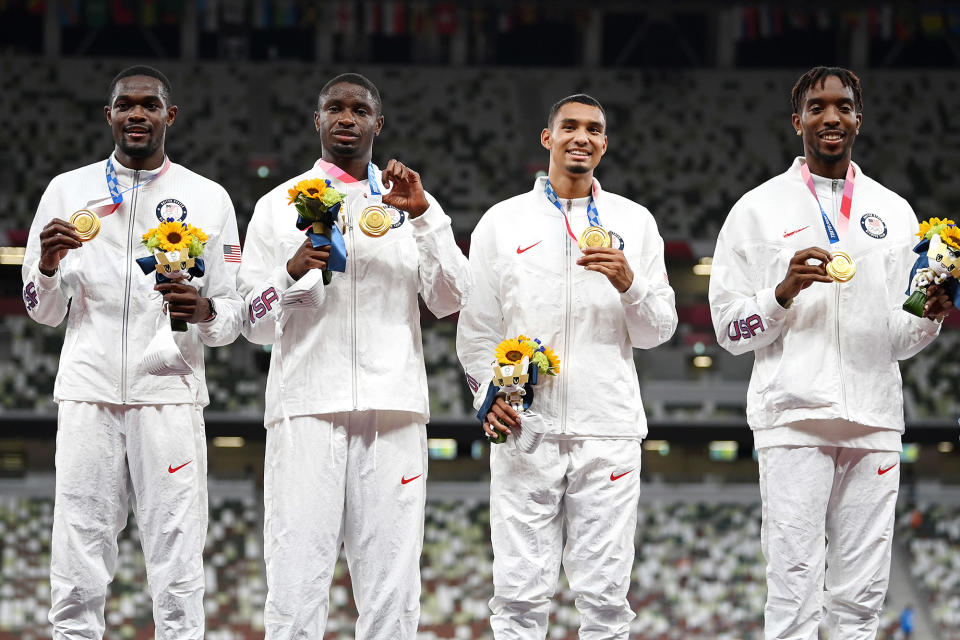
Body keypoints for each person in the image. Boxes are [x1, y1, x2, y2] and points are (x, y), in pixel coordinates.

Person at [708, 66, 953, 640]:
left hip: (873, 420)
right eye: (817, 107)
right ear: (798, 121)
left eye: (842, 106)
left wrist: (929, 315)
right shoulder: (756, 210)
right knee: (793, 591)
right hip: (793, 420)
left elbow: (898, 337)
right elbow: (729, 331)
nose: (831, 117)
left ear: (858, 119)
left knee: (861, 600)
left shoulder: (895, 213)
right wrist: (781, 293)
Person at [237, 72, 471, 640]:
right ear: (317, 120)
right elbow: (250, 322)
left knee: (393, 587)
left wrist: (423, 219)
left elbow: (453, 298)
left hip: (393, 409)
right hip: (306, 408)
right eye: (335, 109)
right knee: (296, 580)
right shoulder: (276, 207)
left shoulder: (409, 203)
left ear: (378, 124)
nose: (347, 118)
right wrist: (290, 271)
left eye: (359, 110)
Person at [21, 65, 244, 639]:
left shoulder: (207, 197)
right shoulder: (66, 192)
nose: (136, 114)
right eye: (125, 105)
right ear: (110, 115)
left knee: (176, 551)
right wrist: (45, 268)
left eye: (149, 105)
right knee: (78, 548)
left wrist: (205, 312)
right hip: (88, 393)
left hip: (168, 394)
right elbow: (40, 309)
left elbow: (232, 316)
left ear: (170, 115)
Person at [456, 94, 677, 639]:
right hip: (526, 431)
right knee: (517, 596)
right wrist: (491, 396)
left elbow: (658, 331)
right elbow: (477, 330)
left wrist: (632, 284)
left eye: (594, 129)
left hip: (608, 428)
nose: (582, 136)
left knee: (604, 597)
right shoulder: (502, 222)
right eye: (570, 126)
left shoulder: (636, 222)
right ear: (547, 137)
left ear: (604, 143)